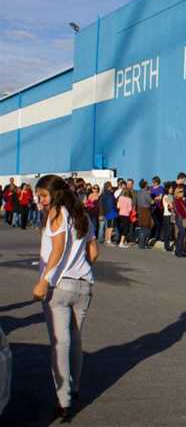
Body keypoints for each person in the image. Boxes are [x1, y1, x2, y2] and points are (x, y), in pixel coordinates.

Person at [31, 174, 98, 420]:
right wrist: (80, 267)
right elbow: (94, 251)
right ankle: (75, 388)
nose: (40, 201)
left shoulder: (57, 213)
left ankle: (64, 401)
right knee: (76, 340)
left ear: (56, 194)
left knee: (61, 343)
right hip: (83, 285)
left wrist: (43, 281)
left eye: (43, 196)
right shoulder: (82, 215)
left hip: (59, 286)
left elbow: (57, 249)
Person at [173, 185, 186, 257]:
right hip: (180, 219)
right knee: (182, 234)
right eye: (180, 192)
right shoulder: (176, 201)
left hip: (182, 218)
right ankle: (179, 252)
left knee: (181, 235)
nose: (182, 193)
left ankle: (178, 251)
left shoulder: (182, 200)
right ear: (177, 193)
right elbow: (179, 211)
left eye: (182, 191)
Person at [135, 179, 153, 249]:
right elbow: (151, 202)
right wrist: (155, 199)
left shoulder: (138, 192)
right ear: (145, 185)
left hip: (139, 210)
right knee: (146, 227)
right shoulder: (146, 192)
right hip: (145, 211)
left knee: (142, 227)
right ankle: (142, 244)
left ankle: (141, 243)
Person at [160, 182, 176, 251]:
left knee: (169, 231)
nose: (172, 189)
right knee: (168, 231)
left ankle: (167, 246)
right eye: (171, 188)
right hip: (167, 215)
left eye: (172, 188)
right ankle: (167, 246)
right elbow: (171, 206)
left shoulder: (169, 196)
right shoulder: (167, 196)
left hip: (170, 215)